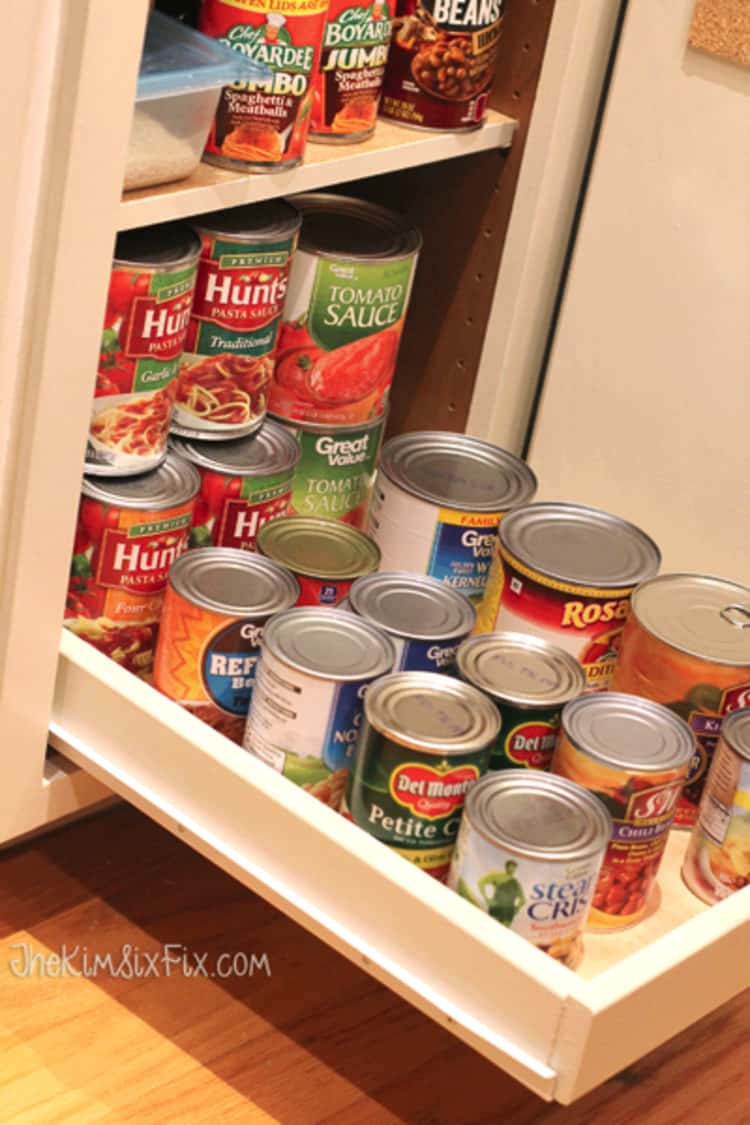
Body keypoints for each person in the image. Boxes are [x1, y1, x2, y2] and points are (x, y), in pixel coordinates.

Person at [478, 861, 525, 926]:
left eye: (513, 867)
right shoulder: (497, 876)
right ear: (506, 867)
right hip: (496, 908)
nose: (511, 869)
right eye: (510, 867)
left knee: (503, 933)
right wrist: (486, 898)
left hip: (508, 912)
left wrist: (517, 908)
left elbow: (523, 899)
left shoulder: (516, 883)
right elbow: (481, 882)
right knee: (489, 928)